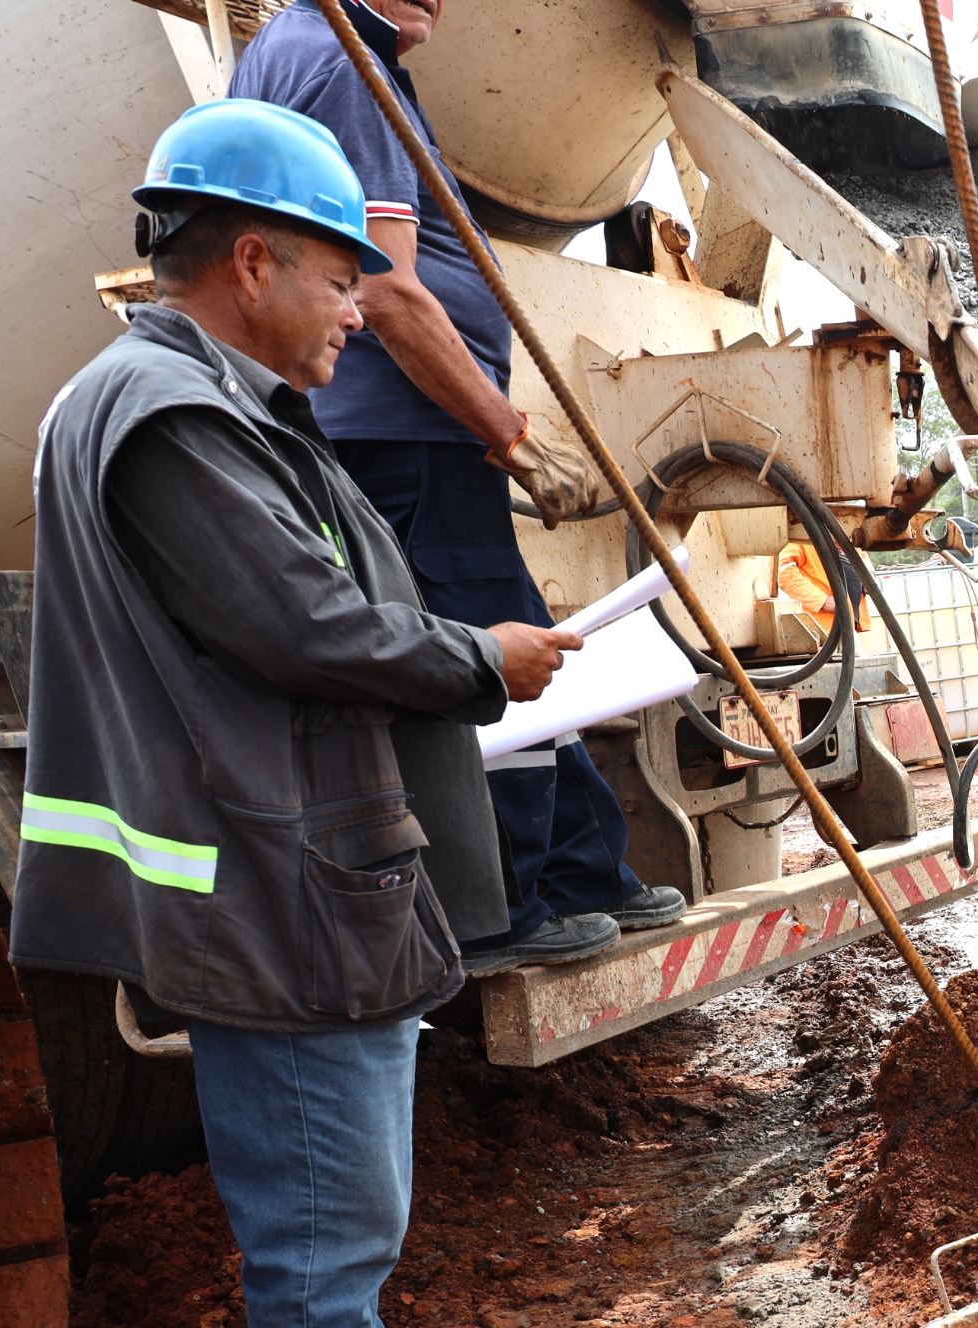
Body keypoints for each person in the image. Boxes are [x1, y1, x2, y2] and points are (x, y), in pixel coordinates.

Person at [15, 99, 562, 1328]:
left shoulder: (181, 399)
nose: (359, 313)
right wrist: (482, 657)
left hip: (281, 858)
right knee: (323, 1207)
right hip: (272, 876)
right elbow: (301, 625)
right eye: (339, 280)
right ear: (251, 261)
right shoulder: (171, 415)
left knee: (338, 1195)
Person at [231, 0, 685, 972]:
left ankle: (580, 868)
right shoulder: (344, 60)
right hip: (403, 434)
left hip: (404, 433)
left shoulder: (319, 51)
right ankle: (504, 904)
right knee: (483, 657)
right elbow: (386, 289)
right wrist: (511, 433)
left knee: (519, 635)